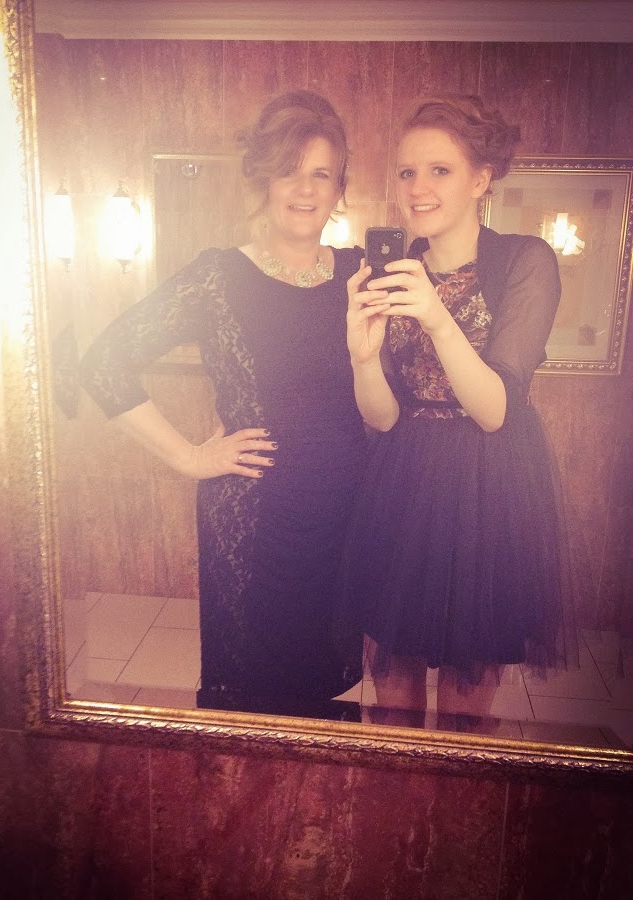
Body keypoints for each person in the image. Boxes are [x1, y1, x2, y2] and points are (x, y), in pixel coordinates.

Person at [80, 90, 367, 715]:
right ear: (261, 179)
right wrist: (187, 457)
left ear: (339, 188)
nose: (305, 189)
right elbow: (103, 363)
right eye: (289, 170)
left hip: (342, 516)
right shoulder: (218, 275)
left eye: (322, 174)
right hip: (253, 514)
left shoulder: (361, 273)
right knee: (252, 701)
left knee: (323, 701)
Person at [344, 95, 578, 722]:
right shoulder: (396, 272)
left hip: (488, 488)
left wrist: (435, 316)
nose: (417, 188)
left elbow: (496, 408)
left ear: (481, 179)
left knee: (464, 713)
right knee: (393, 694)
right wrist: (362, 356)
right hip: (402, 482)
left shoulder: (525, 260)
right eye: (407, 171)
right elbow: (382, 418)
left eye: (439, 170)